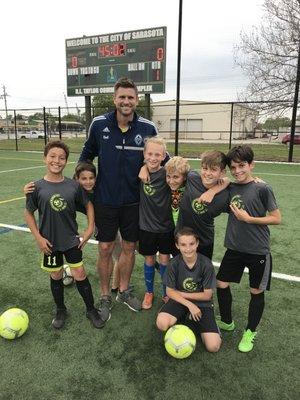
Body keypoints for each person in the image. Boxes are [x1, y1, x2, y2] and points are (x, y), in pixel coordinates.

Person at [79, 77, 158, 314]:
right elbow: (86, 156)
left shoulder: (148, 128)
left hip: (135, 201)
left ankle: (123, 290)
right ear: (115, 99)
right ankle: (105, 296)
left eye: (130, 97)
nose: (126, 101)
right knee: (104, 249)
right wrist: (85, 181)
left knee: (130, 247)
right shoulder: (99, 124)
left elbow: (161, 160)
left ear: (136, 101)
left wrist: (147, 167)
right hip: (105, 200)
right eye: (122, 97)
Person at [24, 141, 105, 329]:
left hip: (71, 241)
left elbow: (88, 204)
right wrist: (38, 238)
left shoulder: (73, 186)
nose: (56, 161)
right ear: (45, 158)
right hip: (49, 244)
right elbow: (28, 213)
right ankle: (61, 309)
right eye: (52, 156)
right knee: (56, 275)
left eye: (61, 158)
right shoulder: (36, 187)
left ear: (66, 161)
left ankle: (91, 309)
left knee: (80, 273)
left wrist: (89, 228)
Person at [216, 144, 281, 352]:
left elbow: (276, 218)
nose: (237, 171)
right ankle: (227, 321)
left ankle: (250, 332)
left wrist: (249, 219)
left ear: (251, 164)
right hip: (234, 248)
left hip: (258, 250)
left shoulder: (263, 188)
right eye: (233, 167)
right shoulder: (231, 188)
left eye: (242, 166)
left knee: (255, 290)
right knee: (221, 283)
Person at [156, 227, 222, 353]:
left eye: (191, 244)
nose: (188, 248)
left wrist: (180, 293)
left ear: (197, 243)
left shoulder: (206, 264)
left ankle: (203, 324)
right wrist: (189, 305)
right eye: (183, 244)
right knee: (162, 324)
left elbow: (207, 295)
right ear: (177, 245)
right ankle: (184, 315)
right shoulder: (173, 263)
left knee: (213, 347)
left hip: (202, 304)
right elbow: (170, 292)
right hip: (180, 301)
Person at [170, 151, 230, 259]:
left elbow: (239, 186)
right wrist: (145, 168)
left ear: (222, 172)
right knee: (179, 272)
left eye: (213, 170)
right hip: (181, 239)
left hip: (204, 242)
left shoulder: (225, 196)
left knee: (202, 273)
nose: (207, 173)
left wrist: (213, 191)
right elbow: (171, 167)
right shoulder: (192, 178)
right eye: (205, 168)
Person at [138, 137, 174, 310]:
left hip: (166, 227)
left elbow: (184, 173)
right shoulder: (140, 173)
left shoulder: (168, 173)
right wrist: (143, 167)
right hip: (146, 227)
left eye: (157, 154)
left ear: (163, 156)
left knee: (165, 259)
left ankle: (167, 293)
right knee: (150, 259)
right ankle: (149, 292)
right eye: (149, 154)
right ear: (144, 154)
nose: (153, 158)